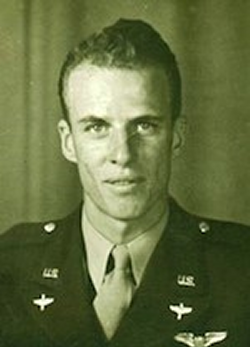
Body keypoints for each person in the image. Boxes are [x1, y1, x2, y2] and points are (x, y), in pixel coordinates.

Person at [0, 18, 250, 347]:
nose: (123, 154)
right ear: (68, 141)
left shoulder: (240, 270)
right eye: (96, 127)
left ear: (176, 136)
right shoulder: (10, 267)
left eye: (145, 125)